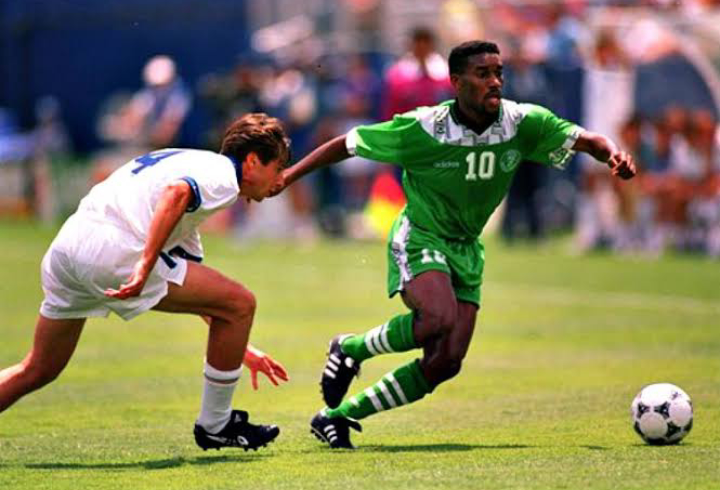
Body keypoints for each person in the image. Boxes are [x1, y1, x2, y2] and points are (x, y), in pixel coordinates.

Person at [271, 41, 636, 449]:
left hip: (466, 247)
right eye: (483, 74)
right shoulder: (425, 127)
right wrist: (289, 176)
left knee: (445, 362)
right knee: (437, 318)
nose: (495, 82)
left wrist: (613, 155)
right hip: (421, 235)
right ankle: (351, 348)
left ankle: (336, 417)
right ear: (457, 82)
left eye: (498, 73)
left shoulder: (521, 123)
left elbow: (586, 140)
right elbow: (348, 143)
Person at [0, 113, 291, 452]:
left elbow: (202, 295)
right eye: (278, 168)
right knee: (241, 302)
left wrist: (240, 348)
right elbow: (176, 193)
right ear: (252, 161)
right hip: (112, 250)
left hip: (68, 247)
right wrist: (143, 265)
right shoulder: (224, 177)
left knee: (38, 368)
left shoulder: (192, 163)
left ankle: (217, 424)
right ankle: (215, 425)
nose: (280, 181)